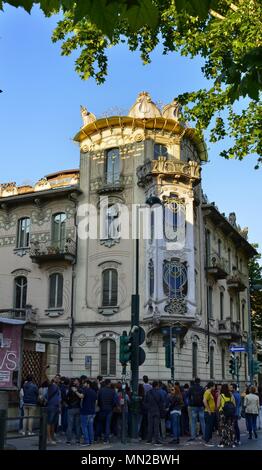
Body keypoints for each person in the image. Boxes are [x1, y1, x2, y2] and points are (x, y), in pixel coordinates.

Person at [144, 381, 165, 446]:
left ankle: (149, 440)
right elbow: (162, 403)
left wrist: (148, 407)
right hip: (157, 411)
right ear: (157, 385)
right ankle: (157, 440)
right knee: (156, 426)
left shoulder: (148, 393)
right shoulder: (159, 393)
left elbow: (145, 402)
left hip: (150, 411)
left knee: (150, 426)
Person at [96, 378, 117, 443]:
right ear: (109, 383)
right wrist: (112, 406)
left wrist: (99, 406)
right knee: (107, 424)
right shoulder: (113, 391)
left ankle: (96, 437)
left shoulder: (100, 390)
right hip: (109, 409)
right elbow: (114, 401)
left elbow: (98, 400)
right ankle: (106, 439)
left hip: (102, 409)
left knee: (99, 423)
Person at [78, 380, 97, 446]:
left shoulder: (85, 390)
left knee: (84, 427)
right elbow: (96, 402)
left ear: (88, 384)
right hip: (92, 412)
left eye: (84, 383)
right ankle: (91, 441)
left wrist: (75, 391)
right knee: (90, 427)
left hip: (85, 411)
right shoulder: (94, 391)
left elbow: (81, 396)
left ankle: (87, 441)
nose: (83, 384)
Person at [217, 384, 236, 448]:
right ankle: (232, 443)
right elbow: (234, 405)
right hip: (230, 414)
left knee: (223, 428)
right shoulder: (231, 395)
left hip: (222, 413)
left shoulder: (220, 396)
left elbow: (218, 405)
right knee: (230, 428)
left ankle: (223, 443)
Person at [66, 378, 82, 445]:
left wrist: (68, 404)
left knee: (70, 425)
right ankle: (77, 440)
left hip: (71, 408)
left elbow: (66, 398)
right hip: (78, 408)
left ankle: (68, 440)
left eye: (75, 380)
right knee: (77, 425)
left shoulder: (70, 389)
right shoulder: (80, 389)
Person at [46, 378, 61, 445]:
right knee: (49, 422)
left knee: (53, 423)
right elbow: (48, 380)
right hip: (51, 406)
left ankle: (52, 437)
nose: (58, 379)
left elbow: (59, 398)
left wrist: (60, 407)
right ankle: (48, 438)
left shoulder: (57, 387)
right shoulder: (51, 385)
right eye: (56, 378)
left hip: (56, 406)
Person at [203, 381, 216, 447]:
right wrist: (208, 410)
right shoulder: (207, 392)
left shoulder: (209, 392)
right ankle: (207, 441)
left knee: (210, 427)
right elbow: (204, 401)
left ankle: (209, 440)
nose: (215, 387)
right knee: (208, 427)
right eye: (214, 386)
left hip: (211, 412)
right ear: (211, 386)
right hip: (209, 412)